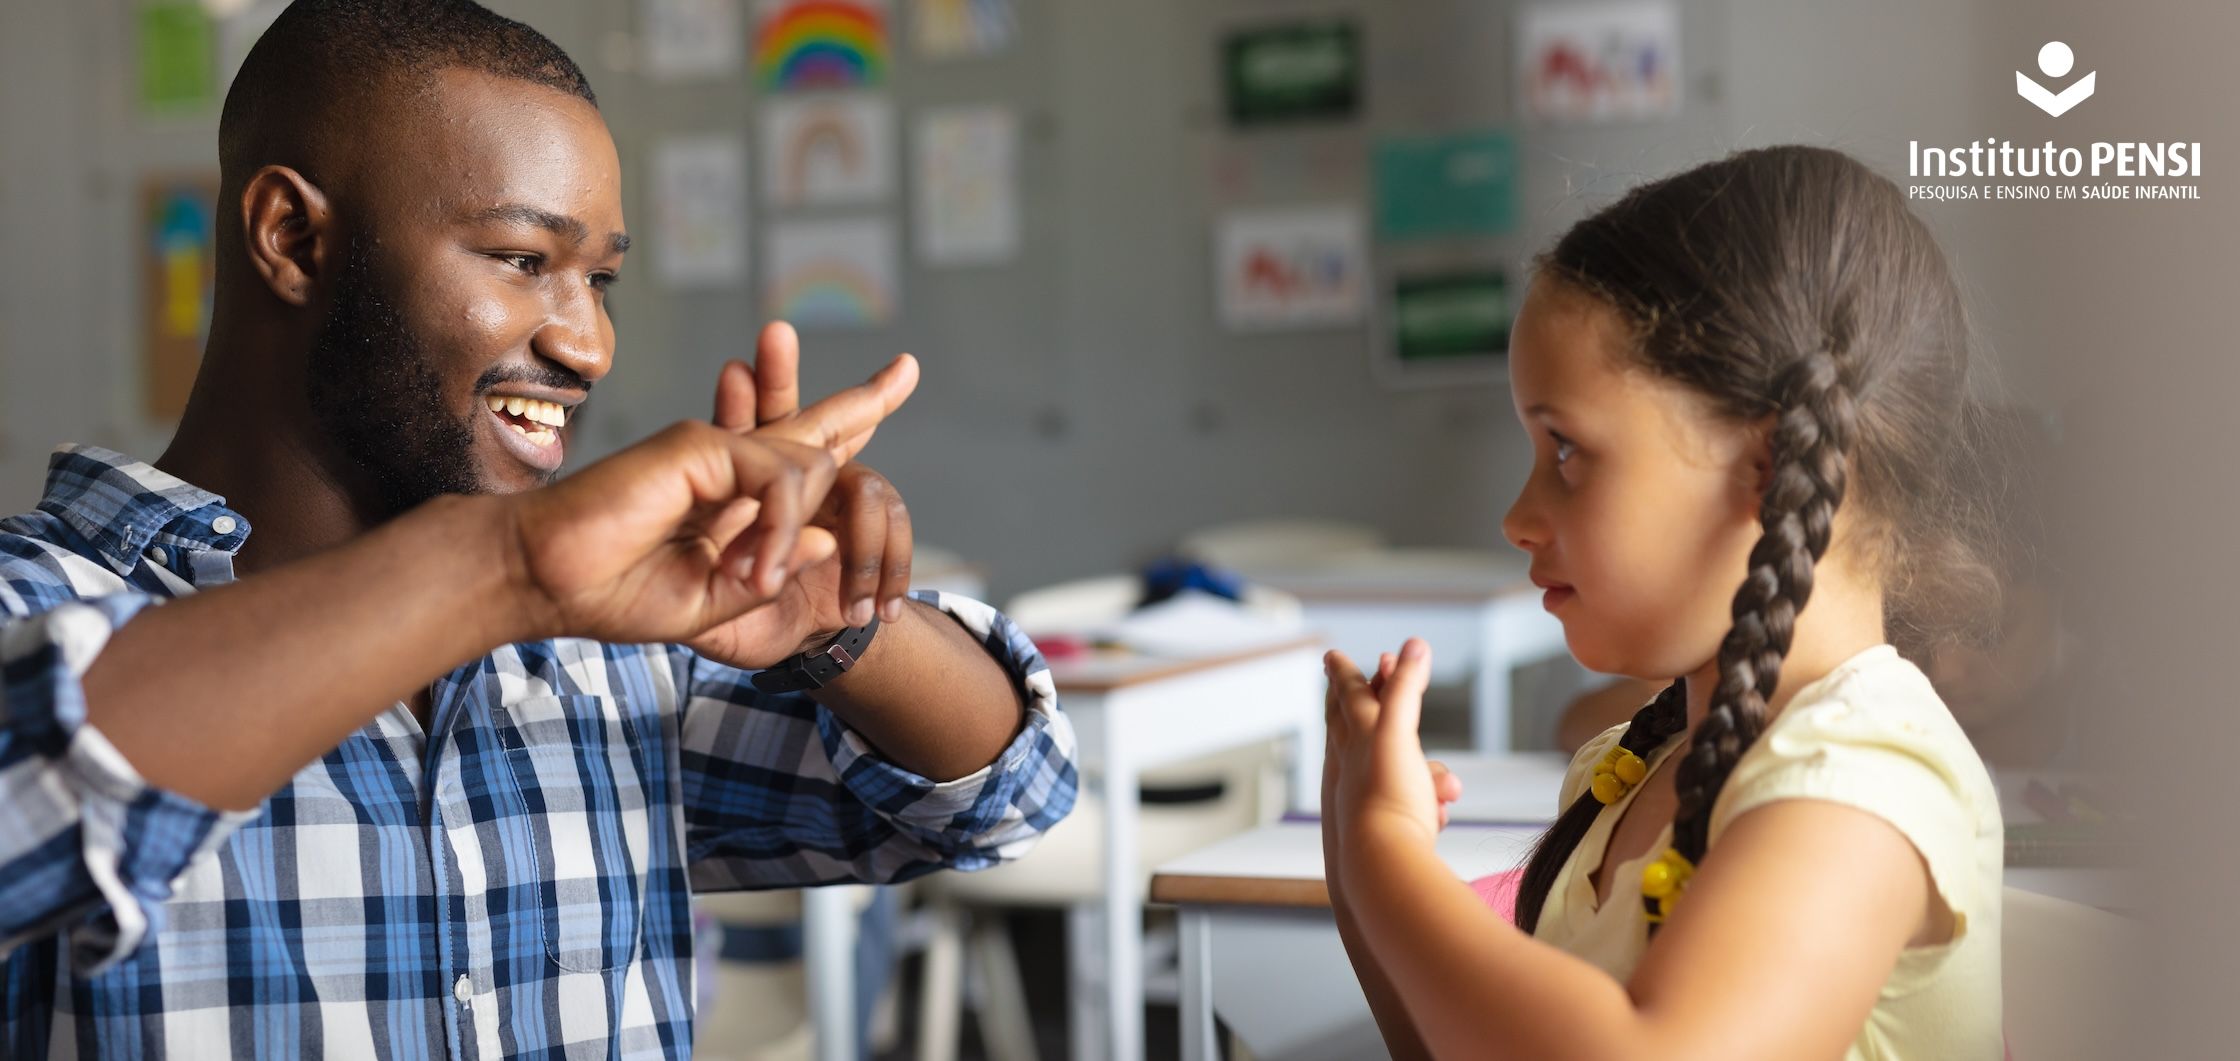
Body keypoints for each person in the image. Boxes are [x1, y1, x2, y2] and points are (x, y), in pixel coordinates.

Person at [0, 1, 1076, 1055]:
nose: (589, 345)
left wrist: (837, 628)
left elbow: (1001, 797)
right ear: (292, 238)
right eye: (522, 259)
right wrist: (506, 569)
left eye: (600, 279)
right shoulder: (35, 601)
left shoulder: (593, 650)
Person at [1319, 145, 2007, 1058]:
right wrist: (1353, 843)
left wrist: (1386, 850)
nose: (1518, 518)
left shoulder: (1863, 780)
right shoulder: (1628, 770)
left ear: (1764, 470)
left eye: (1567, 451)